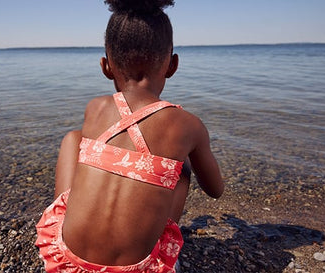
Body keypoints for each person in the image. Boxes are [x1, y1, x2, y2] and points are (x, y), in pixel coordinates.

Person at [34, 0, 224, 272]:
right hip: (140, 269)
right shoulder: (189, 125)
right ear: (173, 65)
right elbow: (216, 190)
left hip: (67, 262)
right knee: (182, 166)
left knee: (73, 139)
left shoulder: (96, 107)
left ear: (105, 66)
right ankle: (163, 252)